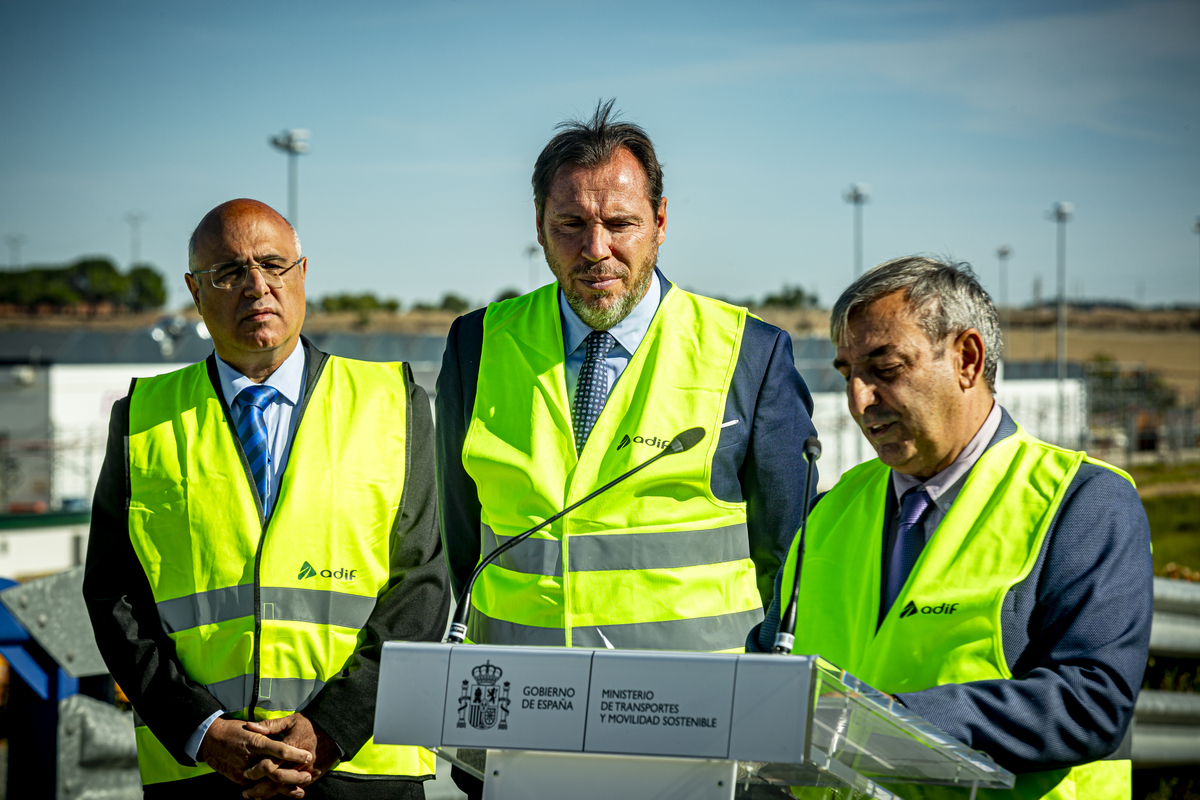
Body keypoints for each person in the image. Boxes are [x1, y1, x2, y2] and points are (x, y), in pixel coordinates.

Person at [83, 199, 449, 799]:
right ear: (195, 294)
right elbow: (114, 594)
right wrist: (201, 730)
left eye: (274, 265)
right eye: (229, 272)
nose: (257, 286)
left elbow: (424, 585)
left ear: (302, 274)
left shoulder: (393, 402)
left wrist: (330, 729)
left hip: (359, 772)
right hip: (202, 774)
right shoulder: (140, 421)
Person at [754, 256, 1152, 798]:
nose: (858, 401)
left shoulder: (1082, 502)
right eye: (848, 374)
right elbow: (771, 667)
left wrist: (894, 723)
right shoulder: (830, 510)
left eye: (886, 369)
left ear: (967, 359)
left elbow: (1091, 700)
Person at [436, 98, 818, 655]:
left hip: (697, 716)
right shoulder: (477, 344)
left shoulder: (749, 353)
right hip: (522, 711)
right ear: (539, 226)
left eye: (620, 224)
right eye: (570, 225)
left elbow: (792, 557)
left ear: (660, 222)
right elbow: (462, 540)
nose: (596, 250)